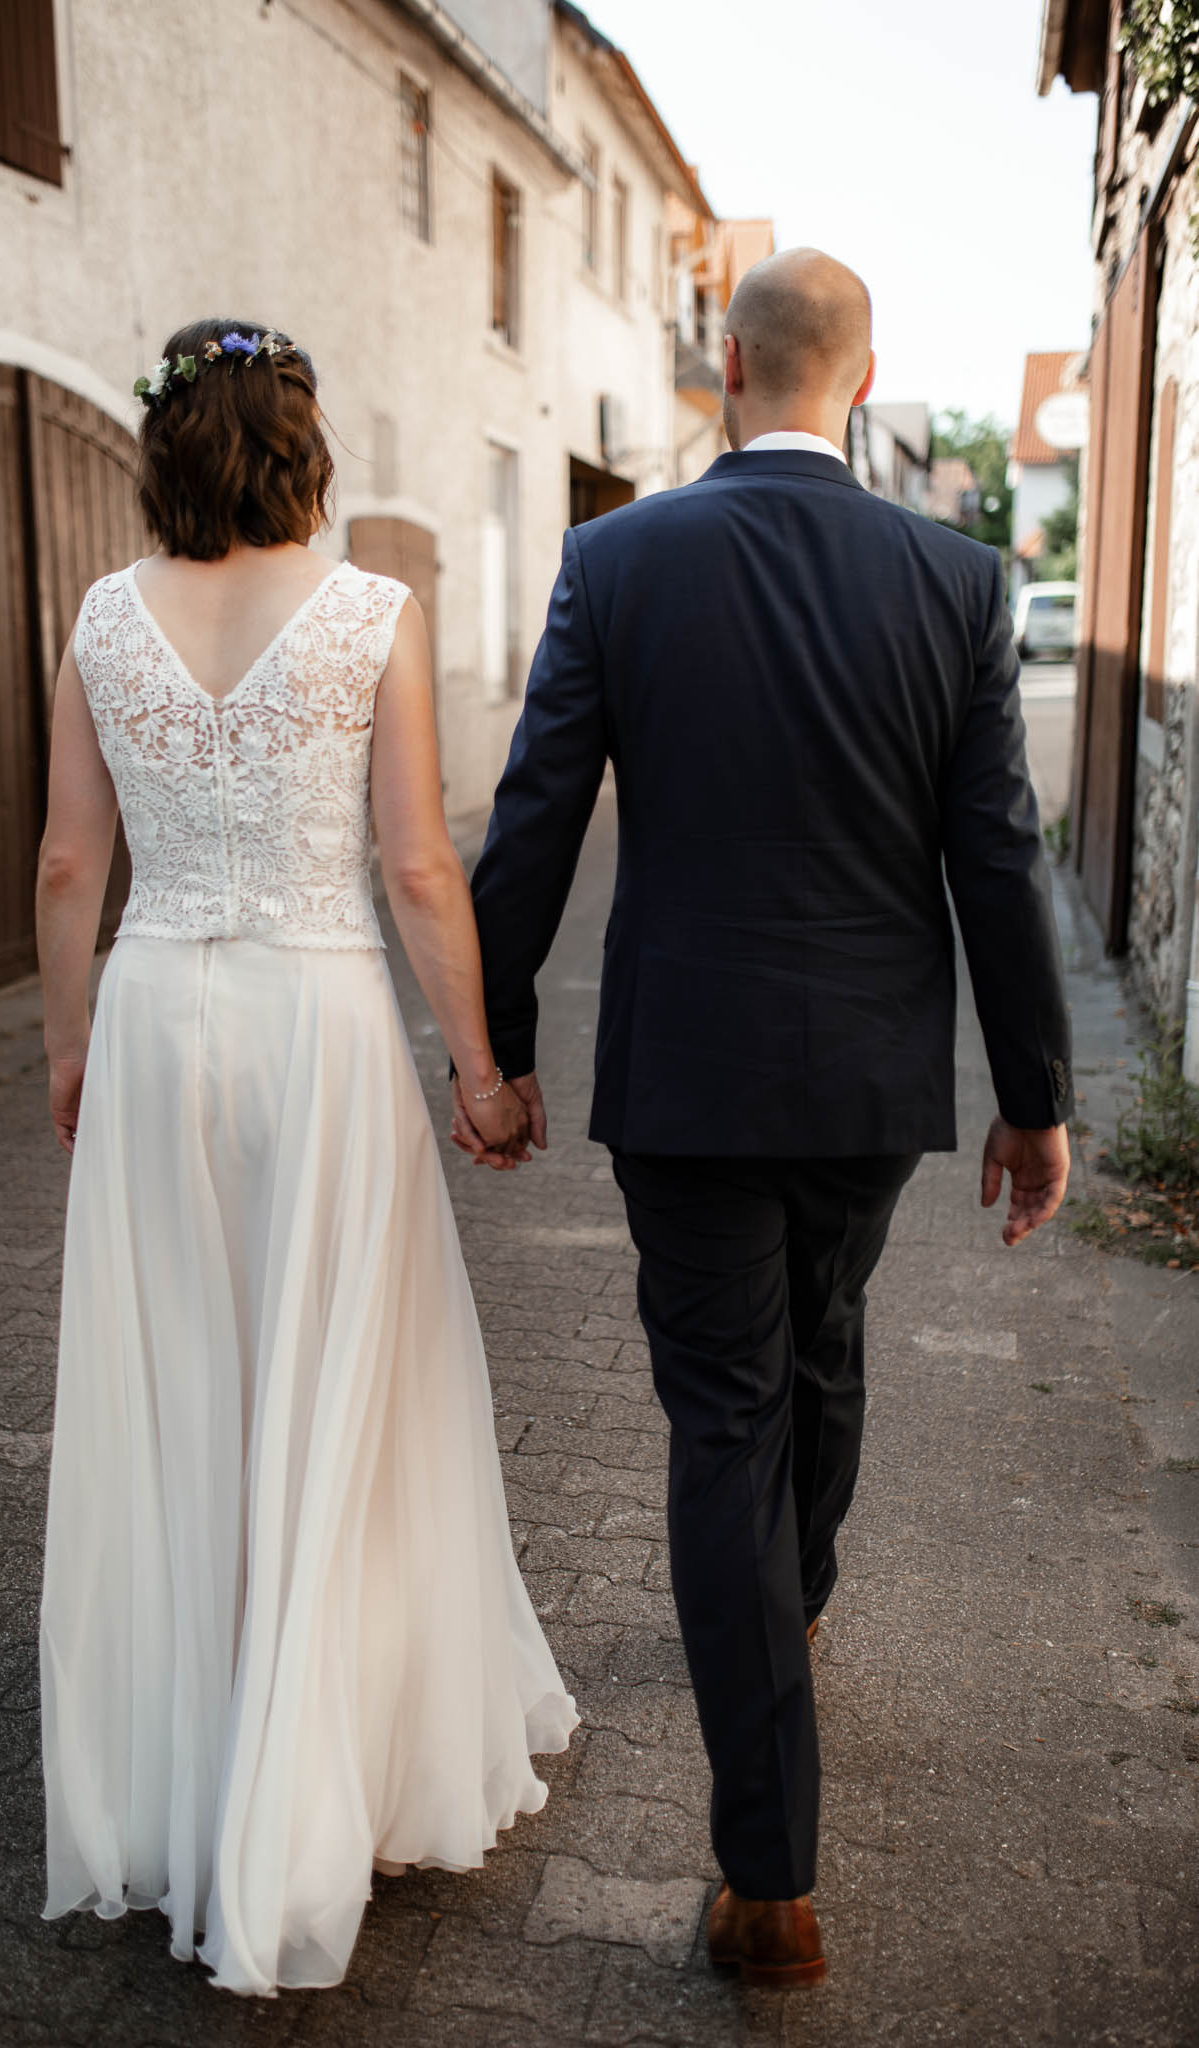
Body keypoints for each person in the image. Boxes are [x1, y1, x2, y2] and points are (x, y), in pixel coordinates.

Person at [453, 249, 1073, 1990]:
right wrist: (1032, 1099)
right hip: (872, 1076)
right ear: (860, 384)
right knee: (826, 1332)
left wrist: (490, 1052)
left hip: (688, 1077)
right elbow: (996, 860)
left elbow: (533, 821)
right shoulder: (957, 580)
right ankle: (790, 1602)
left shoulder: (616, 559)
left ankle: (769, 1878)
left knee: (723, 1414)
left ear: (726, 367)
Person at [34, 318, 577, 1996]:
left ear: (166, 447)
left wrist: (68, 1053)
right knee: (338, 1380)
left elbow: (67, 865)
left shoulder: (101, 620)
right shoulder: (370, 616)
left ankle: (180, 1768)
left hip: (153, 1026)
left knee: (180, 1385)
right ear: (299, 444)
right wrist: (480, 1072)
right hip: (320, 1032)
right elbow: (420, 872)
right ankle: (320, 1769)